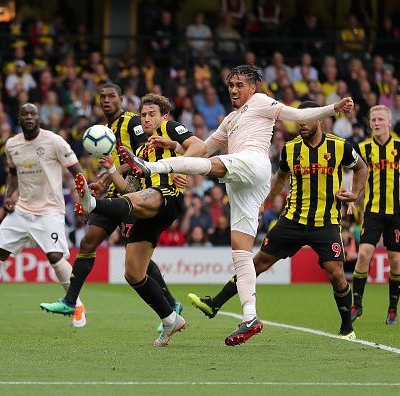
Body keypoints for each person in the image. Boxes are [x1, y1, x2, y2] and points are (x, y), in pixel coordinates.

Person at [120, 65, 355, 344]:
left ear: (253, 87)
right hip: (244, 184)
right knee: (241, 252)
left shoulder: (261, 102)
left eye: (239, 84)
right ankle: (250, 317)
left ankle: (147, 168)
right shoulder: (230, 119)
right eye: (230, 85)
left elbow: (298, 115)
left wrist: (333, 108)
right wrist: (173, 145)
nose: (233, 89)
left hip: (252, 164)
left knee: (210, 167)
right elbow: (203, 148)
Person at [188, 101, 368, 343]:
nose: (301, 124)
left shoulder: (339, 146)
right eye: (299, 120)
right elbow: (280, 177)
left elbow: (361, 168)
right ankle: (215, 304)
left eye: (306, 119)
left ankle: (347, 327)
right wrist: (265, 203)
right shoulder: (291, 149)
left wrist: (355, 193)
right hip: (291, 220)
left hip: (325, 223)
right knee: (257, 262)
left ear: (319, 120)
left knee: (336, 273)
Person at [44, 93, 206, 346]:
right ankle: (169, 318)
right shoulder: (141, 149)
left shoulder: (169, 128)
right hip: (145, 205)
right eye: (143, 115)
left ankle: (93, 204)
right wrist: (110, 169)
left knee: (144, 196)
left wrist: (178, 162)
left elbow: (200, 147)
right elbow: (128, 190)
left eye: (152, 114)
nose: (147, 119)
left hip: (166, 196)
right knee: (133, 273)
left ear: (163, 116)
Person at [0, 103, 88, 328]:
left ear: (39, 118)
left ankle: (77, 305)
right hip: (22, 210)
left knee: (55, 257)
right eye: (25, 114)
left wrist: (83, 203)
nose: (29, 117)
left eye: (33, 113)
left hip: (49, 210)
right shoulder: (12, 144)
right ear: (20, 118)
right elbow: (13, 173)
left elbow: (77, 172)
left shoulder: (54, 141)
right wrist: (9, 195)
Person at [351, 105, 400, 325]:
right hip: (373, 211)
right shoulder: (363, 148)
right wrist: (352, 196)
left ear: (389, 122)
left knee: (395, 261)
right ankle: (357, 305)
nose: (376, 123)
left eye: (380, 119)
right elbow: (353, 172)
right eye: (373, 119)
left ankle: (392, 309)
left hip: (397, 214)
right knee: (364, 254)